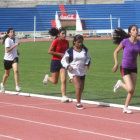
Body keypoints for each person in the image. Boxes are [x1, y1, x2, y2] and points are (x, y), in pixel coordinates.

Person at [112, 25, 140, 114]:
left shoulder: (139, 43)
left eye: (137, 30)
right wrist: (116, 63)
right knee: (130, 88)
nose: (136, 31)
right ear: (130, 32)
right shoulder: (125, 42)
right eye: (134, 30)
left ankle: (125, 108)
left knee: (132, 90)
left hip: (134, 68)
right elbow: (115, 52)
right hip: (125, 67)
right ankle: (120, 83)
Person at [61, 34, 91, 109]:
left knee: (82, 88)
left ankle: (78, 99)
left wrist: (87, 64)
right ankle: (78, 103)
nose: (80, 44)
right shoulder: (70, 50)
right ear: (74, 42)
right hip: (73, 70)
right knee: (78, 86)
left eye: (81, 42)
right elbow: (63, 60)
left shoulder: (85, 49)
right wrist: (68, 66)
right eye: (78, 42)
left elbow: (88, 58)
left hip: (82, 70)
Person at [43, 27, 70, 102]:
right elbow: (49, 51)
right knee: (55, 81)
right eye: (63, 34)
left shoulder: (67, 42)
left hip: (63, 63)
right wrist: (59, 54)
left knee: (63, 80)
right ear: (58, 34)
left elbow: (67, 52)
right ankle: (47, 77)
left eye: (65, 34)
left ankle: (64, 96)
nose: (64, 35)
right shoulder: (55, 41)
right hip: (55, 62)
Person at [0, 28, 21, 93]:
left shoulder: (16, 39)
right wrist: (15, 45)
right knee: (7, 74)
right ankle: (2, 84)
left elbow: (15, 47)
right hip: (7, 59)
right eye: (11, 32)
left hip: (14, 58)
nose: (13, 33)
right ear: (8, 34)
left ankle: (17, 86)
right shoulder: (7, 40)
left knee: (16, 70)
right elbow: (7, 50)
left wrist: (17, 51)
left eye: (13, 32)